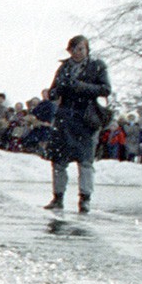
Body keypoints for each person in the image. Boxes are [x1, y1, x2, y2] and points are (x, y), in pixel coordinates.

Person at [45, 35, 111, 214]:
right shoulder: (64, 68)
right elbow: (52, 92)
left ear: (87, 50)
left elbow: (106, 89)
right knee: (58, 160)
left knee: (85, 162)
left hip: (86, 119)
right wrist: (58, 90)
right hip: (64, 118)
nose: (76, 53)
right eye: (73, 49)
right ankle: (58, 197)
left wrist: (82, 87)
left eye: (80, 49)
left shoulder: (97, 66)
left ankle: (85, 198)